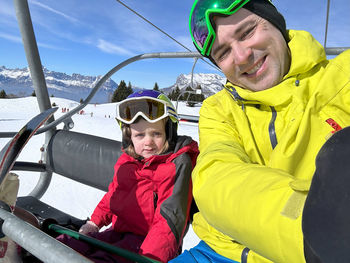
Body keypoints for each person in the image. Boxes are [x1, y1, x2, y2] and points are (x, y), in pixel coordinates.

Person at [170, 0, 350, 262]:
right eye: (223, 53)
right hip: (220, 251)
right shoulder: (219, 109)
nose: (242, 56)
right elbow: (215, 175)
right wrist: (317, 227)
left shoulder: (340, 80)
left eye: (247, 32)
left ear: (275, 22)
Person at [57, 90, 199, 263]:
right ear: (128, 136)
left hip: (148, 246)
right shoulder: (127, 161)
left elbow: (169, 221)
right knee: (64, 246)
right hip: (117, 235)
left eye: (156, 133)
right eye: (139, 135)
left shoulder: (175, 165)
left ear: (169, 132)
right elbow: (114, 195)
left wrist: (148, 259)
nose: (148, 141)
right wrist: (94, 223)